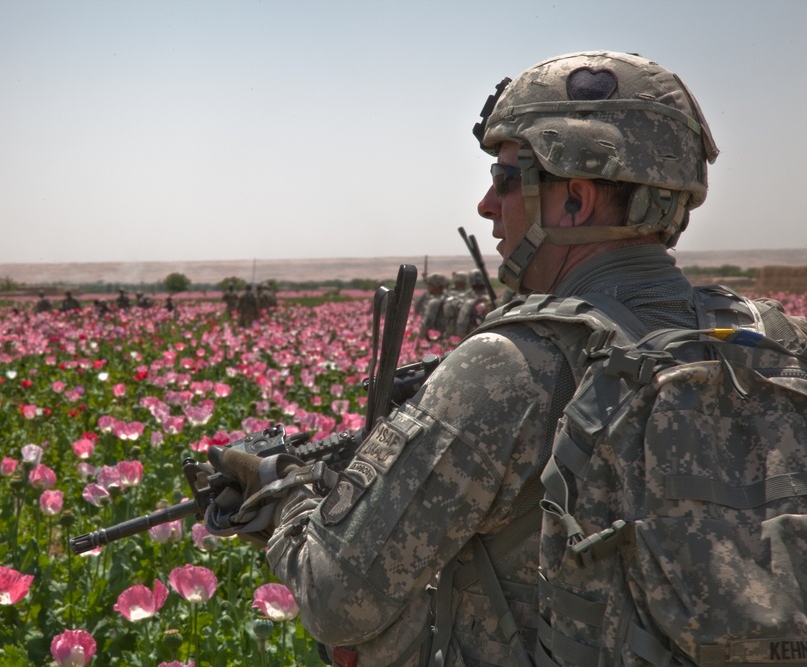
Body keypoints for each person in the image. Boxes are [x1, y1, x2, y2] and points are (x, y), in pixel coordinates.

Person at [207, 51, 731, 665]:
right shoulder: (773, 344)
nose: (487, 205)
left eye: (507, 178)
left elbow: (336, 600)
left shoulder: (512, 366)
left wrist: (283, 494)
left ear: (575, 200)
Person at [417, 273, 449, 340]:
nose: (428, 287)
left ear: (436, 286)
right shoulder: (448, 298)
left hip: (437, 337)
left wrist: (419, 338)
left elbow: (427, 322)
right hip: (447, 336)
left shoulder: (434, 302)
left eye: (430, 285)